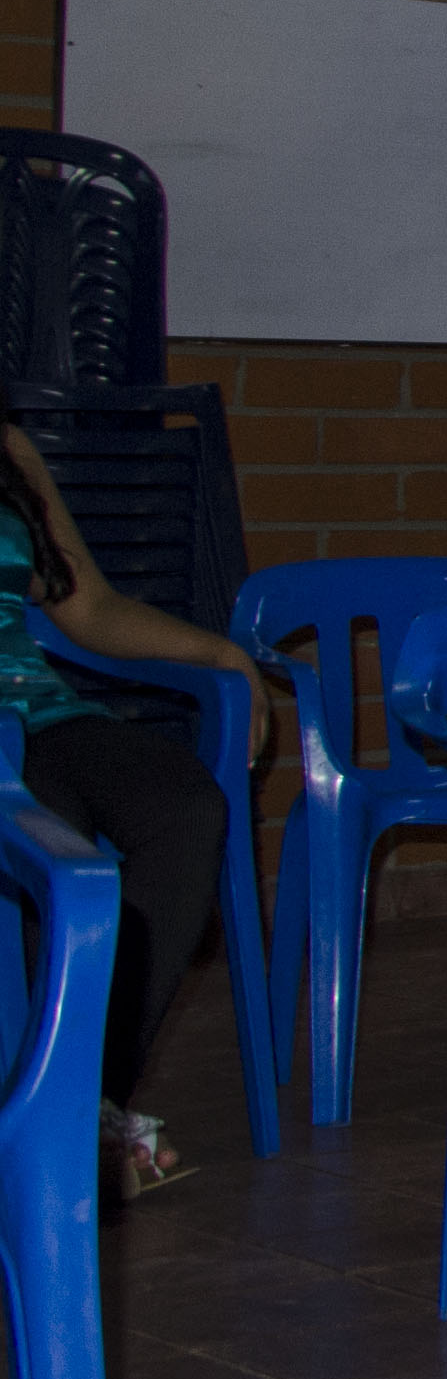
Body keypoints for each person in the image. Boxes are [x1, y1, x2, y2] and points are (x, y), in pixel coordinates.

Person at [0, 422, 270, 1198]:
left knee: (186, 810)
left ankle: (80, 1103)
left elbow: (88, 608)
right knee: (49, 843)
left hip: (44, 715)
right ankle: (57, 1120)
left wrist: (222, 654)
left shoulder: (8, 447)